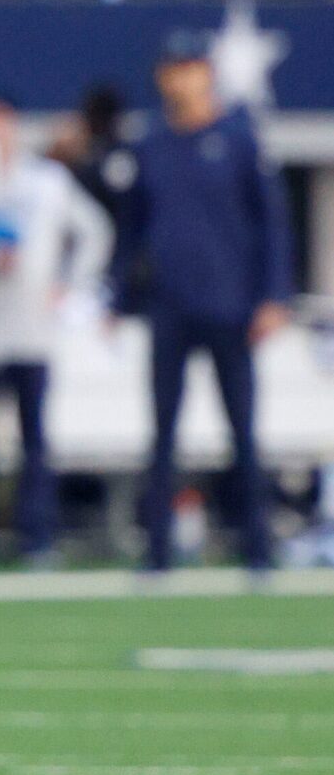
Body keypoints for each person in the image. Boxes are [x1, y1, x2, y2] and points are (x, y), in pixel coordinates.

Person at [115, 32, 294, 571]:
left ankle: (256, 546)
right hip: (170, 306)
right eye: (172, 68)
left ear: (207, 74)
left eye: (190, 67)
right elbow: (133, 231)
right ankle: (159, 550)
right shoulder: (151, 144)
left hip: (230, 304)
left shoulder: (239, 139)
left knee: (241, 426)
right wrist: (122, 297)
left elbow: (272, 225)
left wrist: (272, 296)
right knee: (163, 429)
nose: (181, 78)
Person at [0, 99, 112, 564]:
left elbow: (94, 231)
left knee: (34, 440)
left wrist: (70, 285)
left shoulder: (45, 180)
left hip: (33, 329)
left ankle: (37, 537)